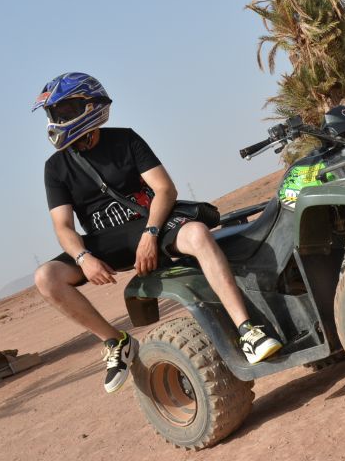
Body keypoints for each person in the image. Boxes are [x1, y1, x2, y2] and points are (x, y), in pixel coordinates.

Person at [31, 72, 282, 394]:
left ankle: (247, 329)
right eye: (54, 114)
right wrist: (83, 257)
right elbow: (63, 226)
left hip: (147, 224)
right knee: (46, 277)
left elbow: (164, 189)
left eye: (63, 111)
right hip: (103, 240)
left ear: (89, 105)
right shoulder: (56, 167)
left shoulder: (125, 140)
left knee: (197, 235)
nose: (56, 120)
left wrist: (150, 234)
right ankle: (115, 341)